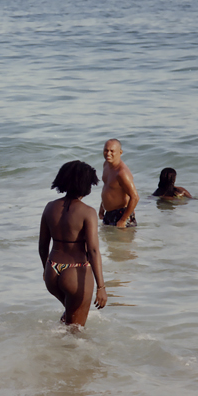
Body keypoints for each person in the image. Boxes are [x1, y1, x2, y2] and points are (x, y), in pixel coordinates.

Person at [39, 160, 107, 328]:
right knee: (76, 333)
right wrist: (101, 286)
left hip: (52, 271)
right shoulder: (87, 212)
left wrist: (45, 269)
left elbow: (42, 245)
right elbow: (93, 250)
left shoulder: (49, 207)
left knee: (68, 320)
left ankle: (51, 351)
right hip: (75, 271)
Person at [99, 138, 139, 228]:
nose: (108, 153)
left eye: (112, 151)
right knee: (109, 241)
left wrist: (123, 220)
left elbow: (135, 197)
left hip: (122, 214)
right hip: (109, 213)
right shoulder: (106, 164)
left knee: (123, 242)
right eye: (106, 150)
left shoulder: (122, 173)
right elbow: (108, 188)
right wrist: (102, 207)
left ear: (120, 152)